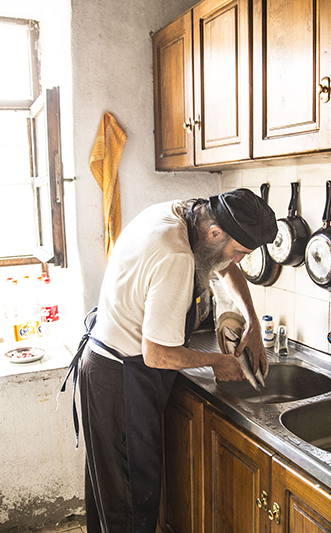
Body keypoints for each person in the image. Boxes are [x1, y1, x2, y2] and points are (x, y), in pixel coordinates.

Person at [64, 188, 277, 533]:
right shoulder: (176, 255)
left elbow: (223, 264)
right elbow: (158, 353)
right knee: (132, 501)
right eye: (240, 251)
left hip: (105, 365)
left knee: (110, 493)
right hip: (122, 378)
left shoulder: (186, 214)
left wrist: (250, 318)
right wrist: (216, 362)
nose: (239, 260)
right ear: (215, 233)